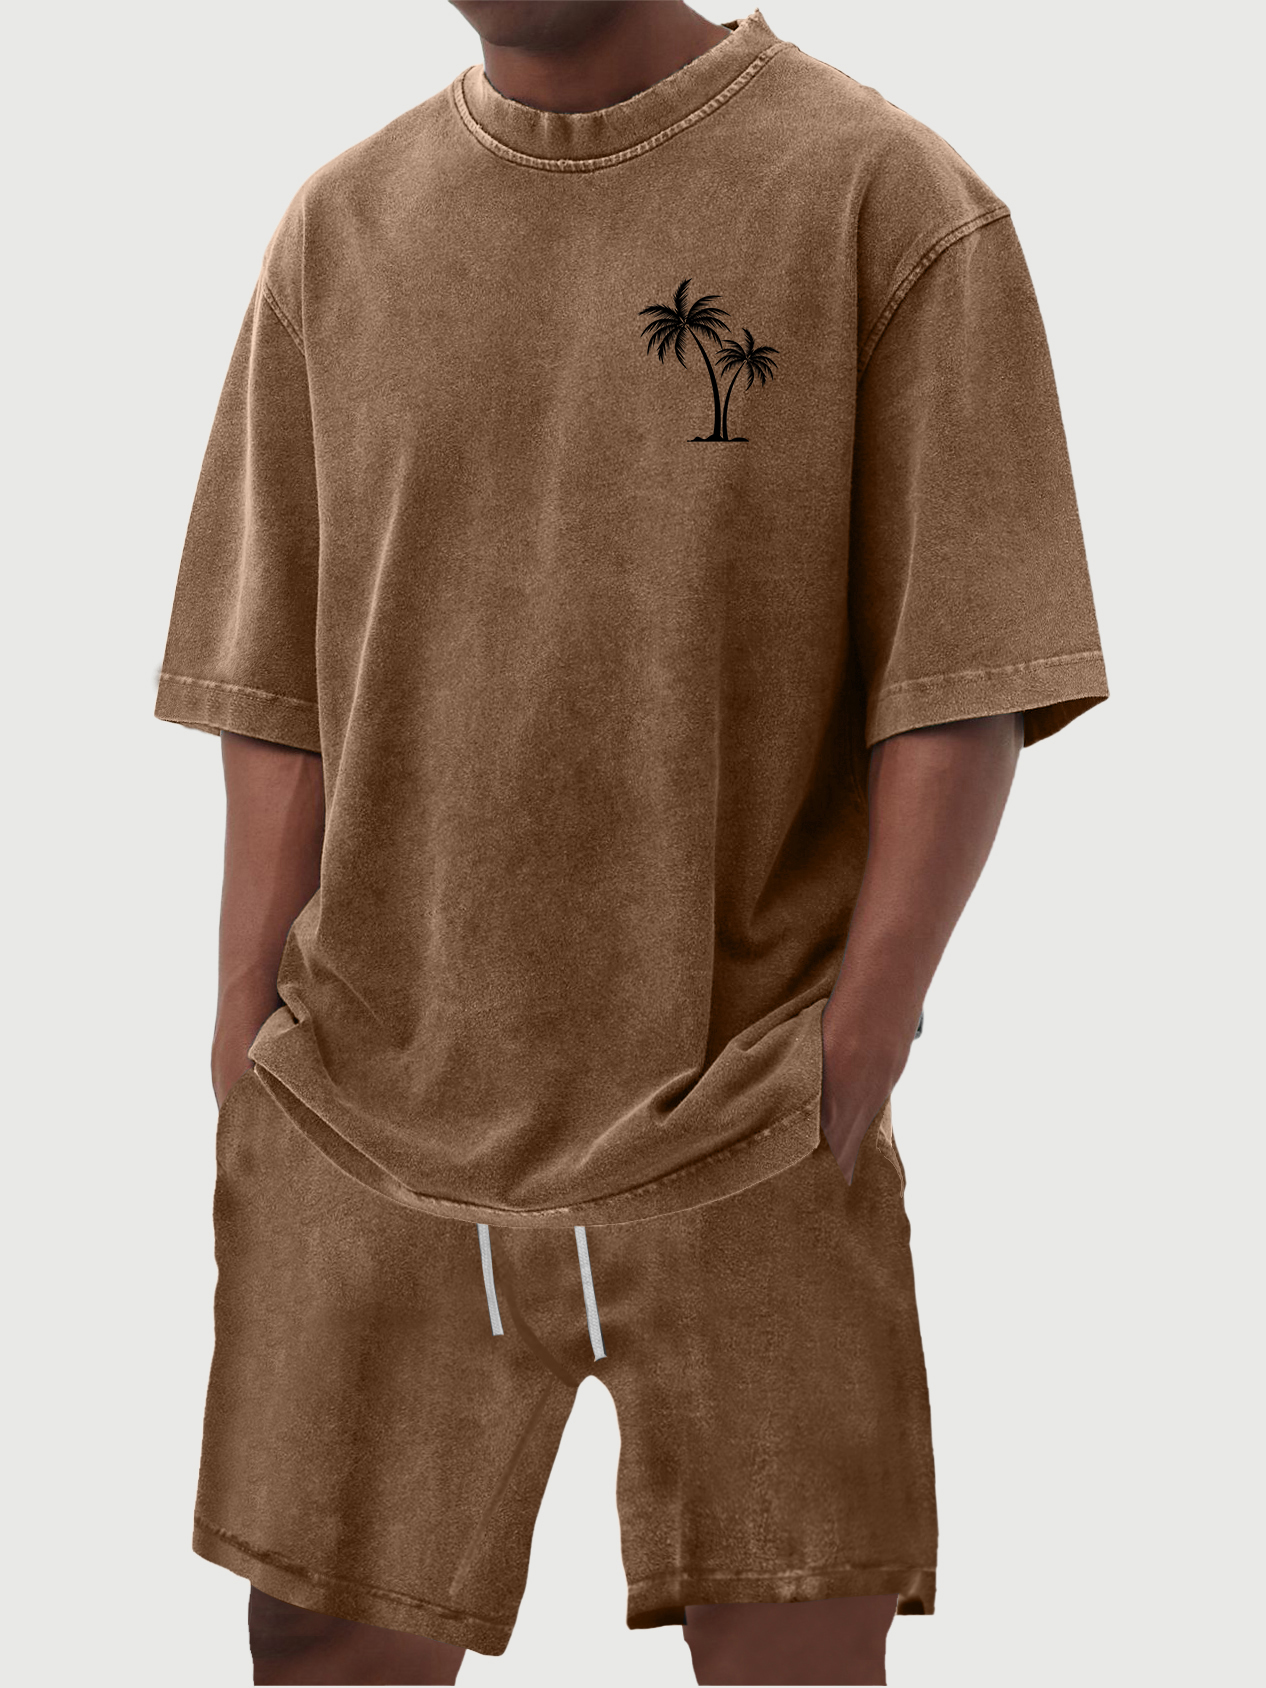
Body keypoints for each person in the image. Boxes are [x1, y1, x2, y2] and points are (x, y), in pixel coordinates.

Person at [154, 5, 1108, 1682]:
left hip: (743, 1102)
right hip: (366, 1111)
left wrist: (859, 1038)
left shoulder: (880, 198)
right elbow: (275, 675)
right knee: (325, 1650)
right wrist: (245, 1027)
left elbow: (963, 667)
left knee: (796, 1645)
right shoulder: (342, 226)